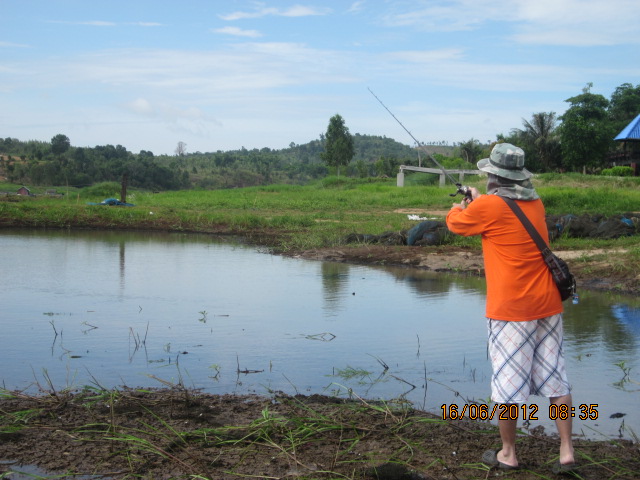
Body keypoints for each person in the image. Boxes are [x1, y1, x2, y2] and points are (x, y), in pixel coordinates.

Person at [446, 143, 575, 473]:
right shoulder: (535, 202)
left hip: (511, 310)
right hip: (548, 304)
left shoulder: (487, 204)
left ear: (493, 175)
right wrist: (479, 202)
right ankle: (565, 450)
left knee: (507, 388)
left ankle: (508, 453)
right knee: (556, 382)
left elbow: (456, 224)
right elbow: (502, 216)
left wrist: (462, 205)